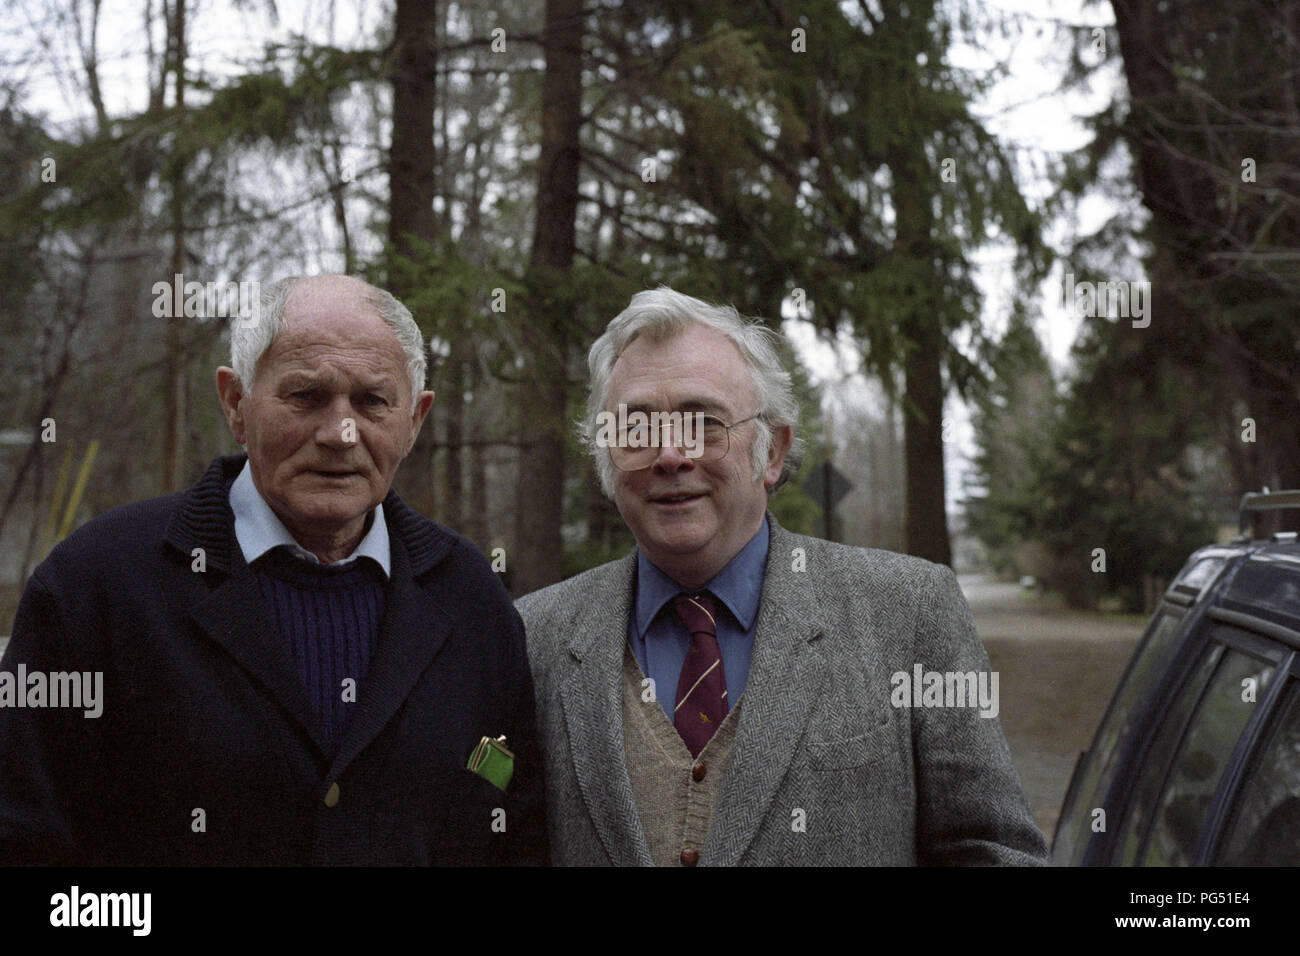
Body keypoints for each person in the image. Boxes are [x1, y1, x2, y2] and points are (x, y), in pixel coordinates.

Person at [0, 274, 546, 865]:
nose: (340, 435)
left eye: (372, 402)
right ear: (236, 403)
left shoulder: (472, 601)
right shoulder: (97, 588)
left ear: (414, 420)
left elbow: (513, 841)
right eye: (306, 396)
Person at [517, 287, 1047, 866]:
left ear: (771, 452)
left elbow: (993, 851)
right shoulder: (533, 636)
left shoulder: (909, 613)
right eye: (636, 428)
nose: (669, 455)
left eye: (704, 422)